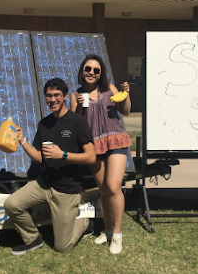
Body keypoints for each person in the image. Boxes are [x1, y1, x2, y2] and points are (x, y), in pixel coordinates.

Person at [4, 78, 96, 255]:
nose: (52, 100)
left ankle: (85, 222)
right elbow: (39, 157)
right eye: (48, 96)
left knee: (62, 247)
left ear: (65, 96)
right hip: (44, 184)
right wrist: (22, 141)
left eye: (56, 95)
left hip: (67, 190)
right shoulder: (44, 124)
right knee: (11, 204)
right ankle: (33, 239)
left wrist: (63, 155)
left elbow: (91, 157)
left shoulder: (78, 122)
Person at [70, 54, 131, 254]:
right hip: (94, 145)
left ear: (101, 73)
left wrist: (126, 95)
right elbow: (76, 123)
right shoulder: (76, 94)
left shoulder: (109, 88)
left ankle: (118, 235)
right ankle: (107, 230)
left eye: (96, 70)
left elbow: (126, 111)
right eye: (88, 69)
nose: (92, 73)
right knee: (103, 190)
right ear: (82, 71)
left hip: (115, 140)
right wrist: (79, 104)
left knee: (114, 186)